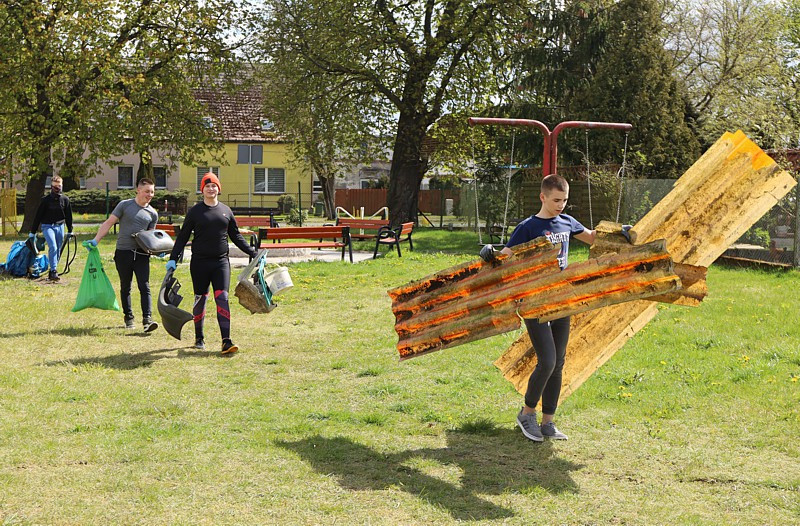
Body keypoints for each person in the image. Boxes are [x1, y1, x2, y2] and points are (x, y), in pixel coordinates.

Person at [481, 174, 596, 442]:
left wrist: (620, 232)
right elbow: (505, 257)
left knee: (558, 364)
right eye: (556, 200)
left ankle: (548, 423)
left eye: (565, 200)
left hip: (561, 299)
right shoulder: (528, 227)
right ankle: (526, 414)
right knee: (547, 360)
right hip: (534, 300)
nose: (561, 205)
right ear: (542, 197)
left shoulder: (567, 222)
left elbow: (592, 238)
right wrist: (490, 252)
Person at [166, 172, 257, 355]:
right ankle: (199, 337)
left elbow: (236, 236)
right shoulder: (195, 211)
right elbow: (183, 237)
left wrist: (252, 252)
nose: (211, 188)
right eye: (207, 186)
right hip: (199, 263)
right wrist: (173, 259)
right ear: (202, 190)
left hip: (221, 262)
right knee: (201, 298)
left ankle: (226, 340)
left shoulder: (226, 211)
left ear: (218, 189)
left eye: (214, 185)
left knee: (222, 297)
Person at [88, 178, 159, 333]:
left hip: (141, 254)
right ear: (138, 190)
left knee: (144, 286)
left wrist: (156, 250)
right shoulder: (125, 205)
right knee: (125, 286)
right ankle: (129, 317)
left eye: (152, 192)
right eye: (147, 191)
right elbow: (108, 223)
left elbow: (151, 236)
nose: (150, 195)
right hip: (123, 253)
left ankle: (147, 320)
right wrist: (95, 240)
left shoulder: (152, 213)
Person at [30, 175, 74, 281]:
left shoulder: (65, 200)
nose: (57, 188)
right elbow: (38, 216)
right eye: (55, 186)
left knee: (58, 248)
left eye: (59, 186)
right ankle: (54, 270)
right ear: (51, 187)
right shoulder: (45, 200)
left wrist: (70, 230)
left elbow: (68, 216)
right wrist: (33, 231)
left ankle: (52, 270)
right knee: (53, 246)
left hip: (60, 226)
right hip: (47, 226)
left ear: (62, 186)